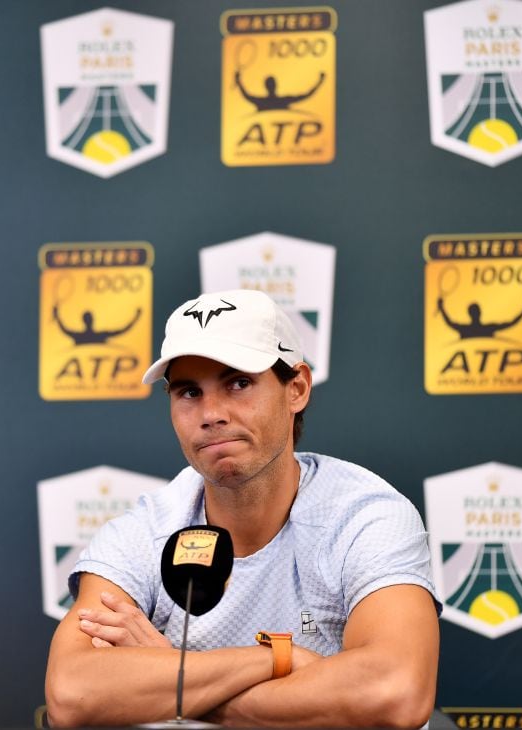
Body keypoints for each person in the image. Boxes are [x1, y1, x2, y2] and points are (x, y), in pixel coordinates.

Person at [45, 289, 440, 727]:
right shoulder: (144, 532)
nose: (211, 413)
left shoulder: (366, 517)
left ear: (297, 389)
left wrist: (177, 677)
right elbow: (73, 693)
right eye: (189, 392)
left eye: (238, 383)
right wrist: (279, 661)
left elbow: (393, 693)